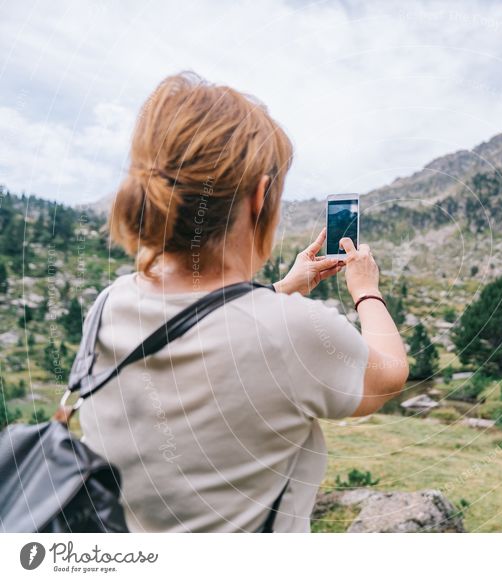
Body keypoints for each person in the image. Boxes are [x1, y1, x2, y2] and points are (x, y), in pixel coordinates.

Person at [78, 72, 408, 532]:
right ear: (259, 197)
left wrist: (280, 291)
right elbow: (389, 376)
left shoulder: (108, 305)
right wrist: (365, 289)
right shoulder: (289, 331)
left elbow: (212, 329)